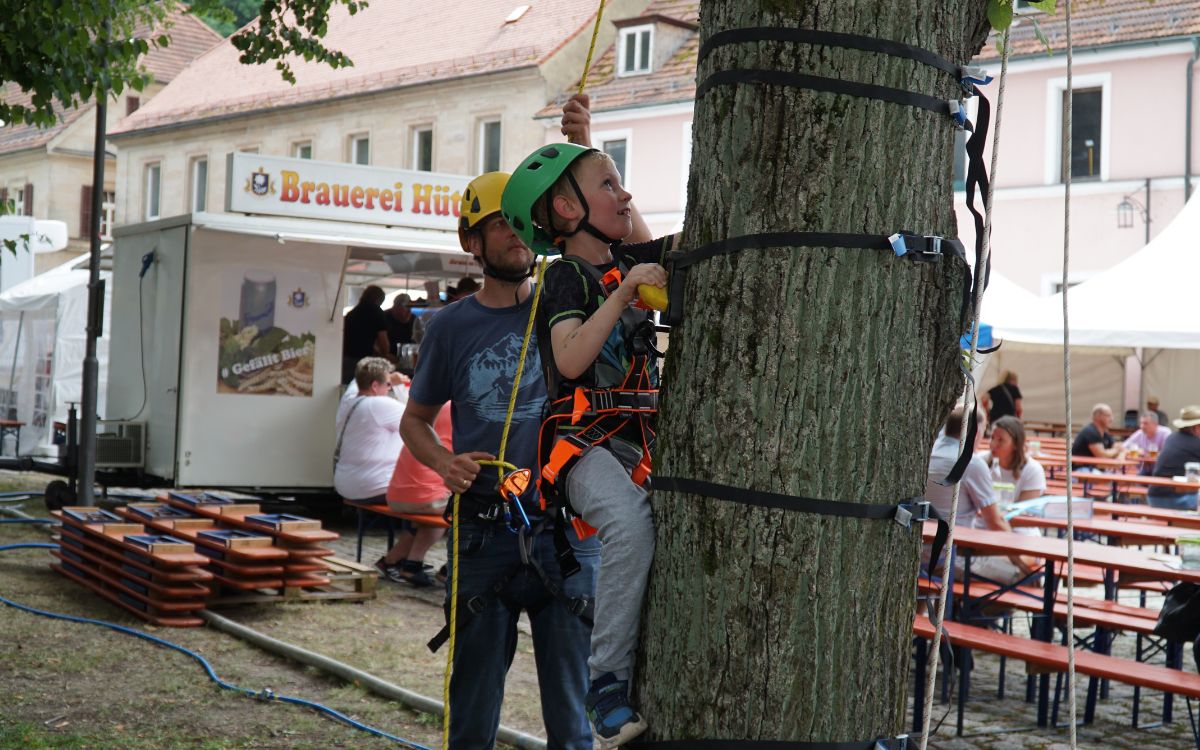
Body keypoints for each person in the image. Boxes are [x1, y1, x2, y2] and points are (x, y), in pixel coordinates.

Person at [399, 167, 599, 750]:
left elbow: (612, 234)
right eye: (500, 225)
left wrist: (582, 140)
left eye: (522, 223)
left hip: (565, 531)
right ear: (471, 241)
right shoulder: (451, 328)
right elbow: (414, 420)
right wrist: (443, 462)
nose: (517, 235)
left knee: (572, 710)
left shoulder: (567, 309)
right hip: (483, 533)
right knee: (473, 705)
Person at [501, 131, 670, 747]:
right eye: (608, 185)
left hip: (640, 442)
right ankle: (604, 684)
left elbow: (642, 237)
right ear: (568, 210)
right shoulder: (566, 278)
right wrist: (623, 291)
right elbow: (570, 359)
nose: (624, 194)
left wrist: (589, 147)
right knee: (628, 523)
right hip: (582, 446)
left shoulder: (626, 261)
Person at [925, 406, 1038, 584]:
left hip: (918, 552)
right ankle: (976, 611)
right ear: (975, 432)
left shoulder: (927, 453)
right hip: (949, 558)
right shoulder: (971, 462)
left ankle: (962, 608)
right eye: (986, 432)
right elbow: (995, 523)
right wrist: (1020, 563)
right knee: (1028, 578)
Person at [335, 358, 411, 580]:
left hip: (346, 482)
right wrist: (399, 387)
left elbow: (356, 381)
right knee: (427, 501)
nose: (389, 388)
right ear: (376, 386)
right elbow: (419, 421)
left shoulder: (349, 400)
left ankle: (406, 559)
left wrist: (387, 379)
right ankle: (398, 560)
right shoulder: (380, 404)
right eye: (387, 385)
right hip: (371, 485)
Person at [381, 405, 453, 587]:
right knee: (473, 511)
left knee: (432, 514)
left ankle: (401, 562)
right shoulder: (468, 409)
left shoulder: (434, 407)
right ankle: (451, 569)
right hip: (426, 497)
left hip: (396, 495)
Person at [982, 416, 1046, 503]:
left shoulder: (1032, 470)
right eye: (992, 438)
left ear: (1016, 444)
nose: (993, 444)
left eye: (1001, 440)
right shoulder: (980, 461)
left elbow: (1024, 511)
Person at [1148, 406, 1200, 510]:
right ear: (1197, 427)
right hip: (1178, 500)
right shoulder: (1197, 443)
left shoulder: (1171, 438)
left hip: (1153, 498)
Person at [342, 285, 390, 383]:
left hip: (347, 359)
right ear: (378, 299)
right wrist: (385, 355)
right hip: (364, 362)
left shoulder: (351, 314)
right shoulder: (377, 313)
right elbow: (383, 342)